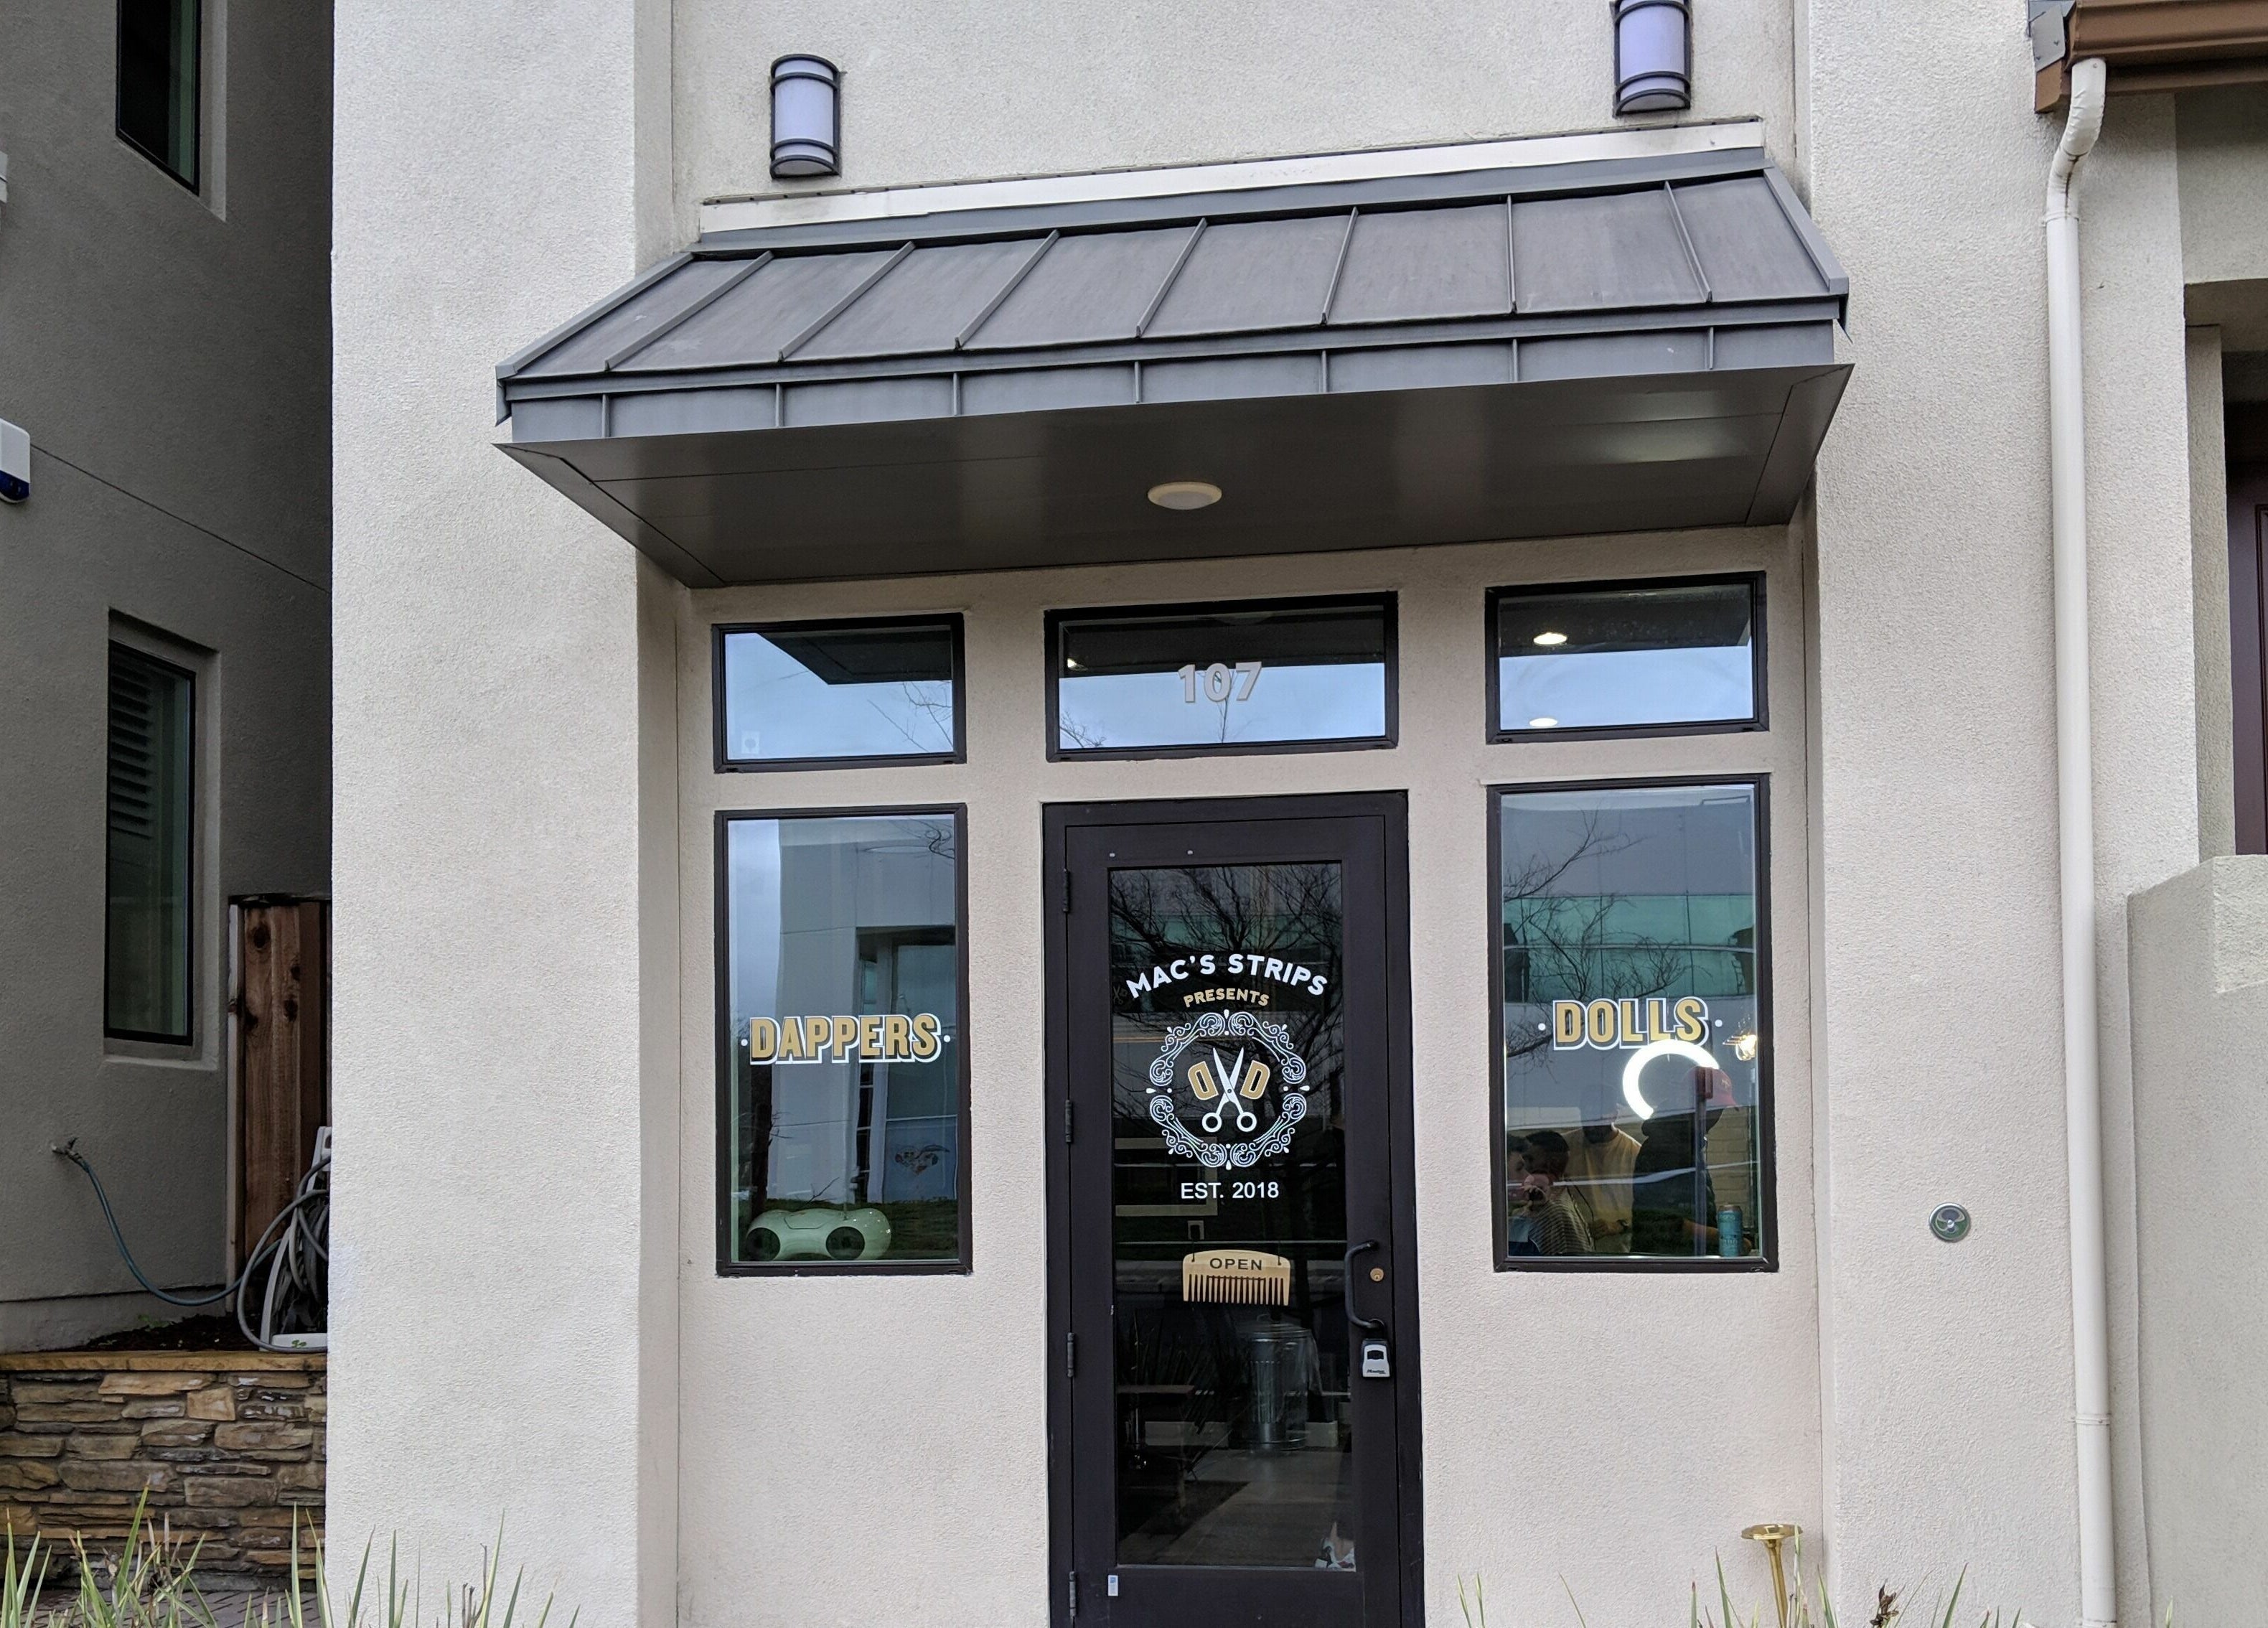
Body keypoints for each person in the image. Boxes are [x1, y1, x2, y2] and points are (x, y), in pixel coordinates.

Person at [1511, 1129, 1593, 1255]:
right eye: (1521, 1165)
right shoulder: (1542, 1204)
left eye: (1530, 1160)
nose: (1527, 1170)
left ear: (1553, 1163)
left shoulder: (1555, 1211)